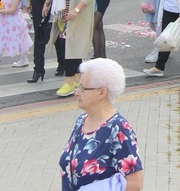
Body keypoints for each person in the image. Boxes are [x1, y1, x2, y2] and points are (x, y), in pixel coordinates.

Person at [59, 58, 144, 190]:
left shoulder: (118, 129)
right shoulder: (82, 120)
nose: (76, 93)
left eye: (82, 88)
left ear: (101, 92)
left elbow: (134, 183)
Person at [46, 0, 97, 96]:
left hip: (77, 14)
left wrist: (76, 9)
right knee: (65, 45)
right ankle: (76, 80)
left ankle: (70, 81)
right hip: (63, 13)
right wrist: (47, 2)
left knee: (73, 47)